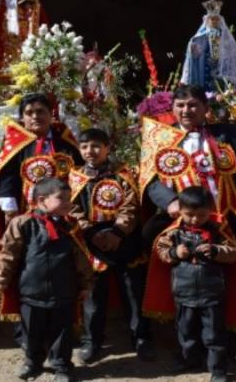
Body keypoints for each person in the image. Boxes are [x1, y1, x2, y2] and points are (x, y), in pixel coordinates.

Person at [139, 85, 236, 360]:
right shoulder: (159, 137)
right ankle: (189, 347)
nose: (186, 110)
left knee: (228, 280)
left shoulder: (231, 134)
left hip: (224, 220)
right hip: (181, 223)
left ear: (205, 108)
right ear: (172, 108)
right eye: (180, 105)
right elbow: (149, 179)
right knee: (184, 284)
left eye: (192, 105)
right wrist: (169, 201)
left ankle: (231, 341)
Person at [67, 128, 156, 363]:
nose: (90, 151)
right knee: (93, 297)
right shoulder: (75, 177)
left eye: (96, 146)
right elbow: (73, 209)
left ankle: (141, 338)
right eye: (84, 146)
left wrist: (117, 232)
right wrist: (88, 231)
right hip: (91, 244)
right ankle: (91, 342)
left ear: (108, 148)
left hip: (124, 242)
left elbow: (131, 205)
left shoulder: (123, 174)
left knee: (133, 293)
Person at [0, 178, 93, 382]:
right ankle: (32, 362)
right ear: (41, 200)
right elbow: (8, 254)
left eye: (69, 198)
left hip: (64, 292)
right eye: (61, 198)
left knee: (62, 333)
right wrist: (1, 279)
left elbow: (81, 258)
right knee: (31, 332)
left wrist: (85, 284)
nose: (68, 203)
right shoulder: (22, 223)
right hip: (31, 291)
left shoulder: (71, 226)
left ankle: (62, 366)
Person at [143, 187, 236, 382]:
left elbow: (233, 253)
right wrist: (174, 253)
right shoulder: (174, 232)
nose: (195, 219)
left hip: (212, 292)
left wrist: (216, 251)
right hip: (183, 291)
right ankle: (189, 359)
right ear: (180, 210)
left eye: (201, 215)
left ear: (210, 210)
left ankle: (218, 369)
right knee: (185, 330)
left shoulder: (218, 230)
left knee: (214, 333)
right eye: (189, 215)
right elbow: (160, 250)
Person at [0, 93, 82, 248]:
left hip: (66, 213)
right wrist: (10, 210)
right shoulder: (16, 147)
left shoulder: (65, 142)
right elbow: (7, 178)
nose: (35, 116)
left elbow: (80, 174)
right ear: (22, 118)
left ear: (51, 114)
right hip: (28, 213)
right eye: (29, 113)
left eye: (40, 111)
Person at [180, 0, 236, 92]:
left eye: (216, 19)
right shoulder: (200, 37)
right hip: (206, 67)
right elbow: (194, 56)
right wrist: (193, 49)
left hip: (221, 66)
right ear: (206, 20)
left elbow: (232, 53)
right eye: (211, 19)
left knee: (222, 88)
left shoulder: (225, 35)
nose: (214, 21)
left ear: (220, 20)